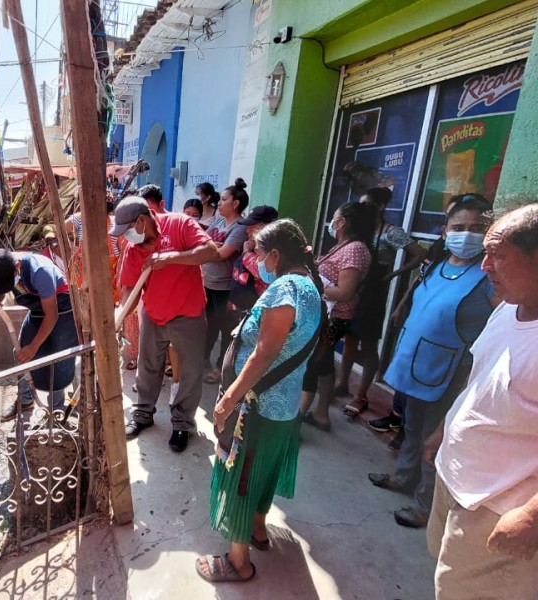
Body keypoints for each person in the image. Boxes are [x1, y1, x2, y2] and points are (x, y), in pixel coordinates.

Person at [195, 219, 323, 583]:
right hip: (280, 408)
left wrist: (227, 400)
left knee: (241, 475)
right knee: (261, 471)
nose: (256, 259)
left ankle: (239, 562)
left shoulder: (286, 289)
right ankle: (257, 529)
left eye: (259, 253)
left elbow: (264, 353)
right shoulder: (309, 286)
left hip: (258, 406)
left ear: (277, 254)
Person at [425, 203, 538, 599]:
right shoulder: (508, 308)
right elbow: (482, 379)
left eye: (499, 255)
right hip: (458, 480)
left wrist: (531, 516)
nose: (485, 266)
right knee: (446, 578)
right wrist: (446, 429)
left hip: (499, 503)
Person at [368, 197, 498, 529]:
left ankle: (426, 504)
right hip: (417, 365)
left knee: (434, 440)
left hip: (449, 373)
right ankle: (403, 476)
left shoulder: (487, 280)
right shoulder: (438, 266)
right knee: (411, 428)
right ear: (445, 231)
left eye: (476, 228)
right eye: (459, 228)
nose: (466, 235)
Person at [112, 196, 219, 452]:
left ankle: (182, 423)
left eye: (128, 229)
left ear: (141, 221)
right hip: (154, 313)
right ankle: (142, 415)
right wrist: (121, 314)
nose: (126, 236)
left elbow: (211, 251)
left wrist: (170, 258)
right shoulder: (133, 248)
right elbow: (130, 287)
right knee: (148, 367)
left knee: (191, 372)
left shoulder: (179, 224)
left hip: (188, 313)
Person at [337, 187, 427, 416]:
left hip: (373, 293)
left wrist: (394, 274)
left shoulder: (391, 232)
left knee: (367, 344)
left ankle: (361, 395)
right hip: (354, 289)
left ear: (380, 207)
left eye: (368, 204)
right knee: (349, 339)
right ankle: (342, 382)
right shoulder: (358, 231)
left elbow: (419, 255)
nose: (363, 208)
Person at [300, 201, 377, 431]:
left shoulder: (355, 249)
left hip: (333, 318)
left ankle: (296, 420)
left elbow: (345, 292)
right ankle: (321, 414)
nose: (331, 223)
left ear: (341, 222)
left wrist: (313, 286)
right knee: (324, 363)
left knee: (313, 364)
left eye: (334, 218)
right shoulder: (343, 246)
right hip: (326, 314)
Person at [0, 248, 78, 419]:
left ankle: (56, 409)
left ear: (17, 267)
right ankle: (26, 400)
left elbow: (51, 315)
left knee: (56, 358)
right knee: (20, 352)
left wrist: (34, 347)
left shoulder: (40, 271)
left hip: (62, 309)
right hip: (38, 309)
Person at [202, 179, 250, 384]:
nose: (219, 203)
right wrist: (214, 245)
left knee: (226, 328)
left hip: (225, 288)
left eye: (223, 200)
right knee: (208, 325)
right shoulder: (219, 222)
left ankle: (222, 366)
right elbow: (201, 241)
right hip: (207, 282)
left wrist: (211, 248)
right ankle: (203, 360)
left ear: (236, 203)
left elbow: (222, 254)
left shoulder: (240, 228)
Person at [228, 205, 280, 315]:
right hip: (241, 307)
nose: (248, 230)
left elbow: (264, 272)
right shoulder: (253, 244)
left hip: (263, 310)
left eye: (253, 226)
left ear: (268, 226)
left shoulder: (275, 249)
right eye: (248, 226)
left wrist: (247, 253)